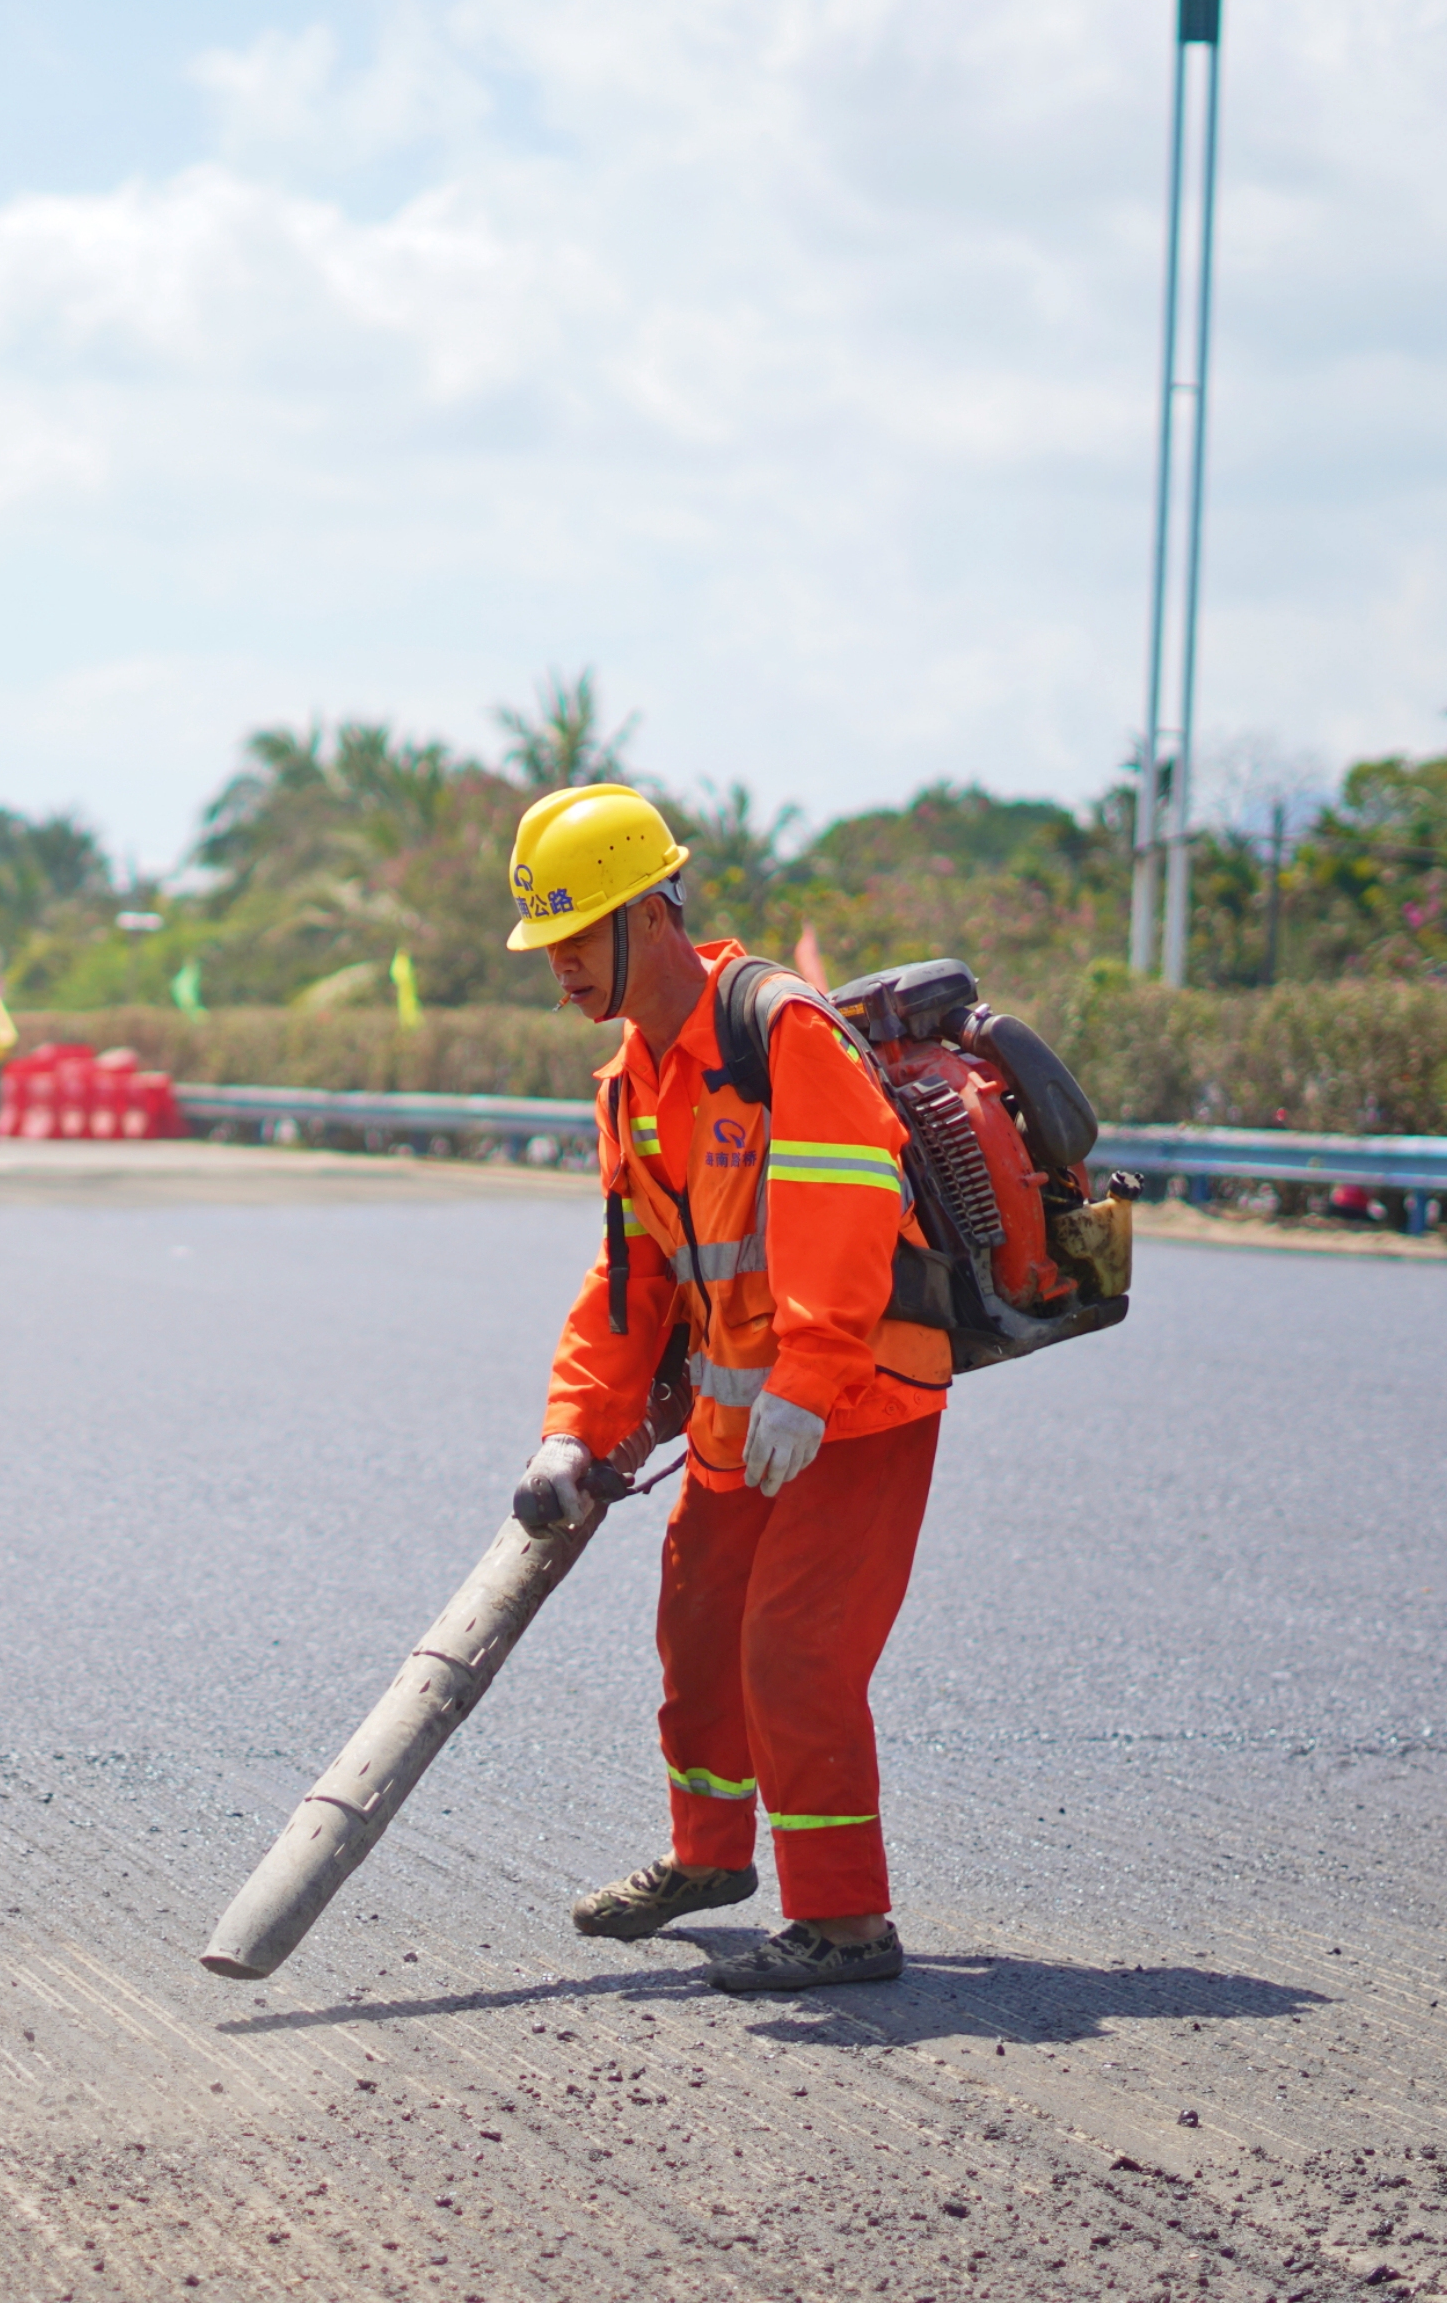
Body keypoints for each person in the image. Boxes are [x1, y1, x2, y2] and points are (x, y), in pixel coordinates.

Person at [507, 783, 955, 1994]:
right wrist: (571, 1430)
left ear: (649, 915)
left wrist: (807, 1380)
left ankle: (845, 1919)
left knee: (793, 1650)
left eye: (575, 935)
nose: (557, 967)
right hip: (735, 1417)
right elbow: (629, 1282)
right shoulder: (630, 1081)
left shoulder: (777, 1029)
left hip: (852, 1405)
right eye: (546, 942)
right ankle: (708, 1856)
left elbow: (844, 1211)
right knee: (699, 1629)